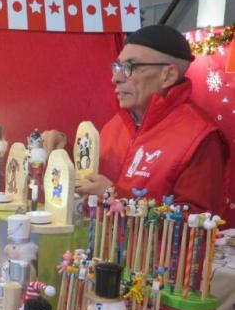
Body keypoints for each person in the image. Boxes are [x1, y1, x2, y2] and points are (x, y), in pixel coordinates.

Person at [77, 25, 228, 212]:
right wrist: (61, 156)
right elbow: (93, 183)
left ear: (168, 75)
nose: (115, 78)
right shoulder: (116, 124)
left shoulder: (200, 137)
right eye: (117, 66)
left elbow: (195, 226)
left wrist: (116, 198)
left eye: (130, 67)